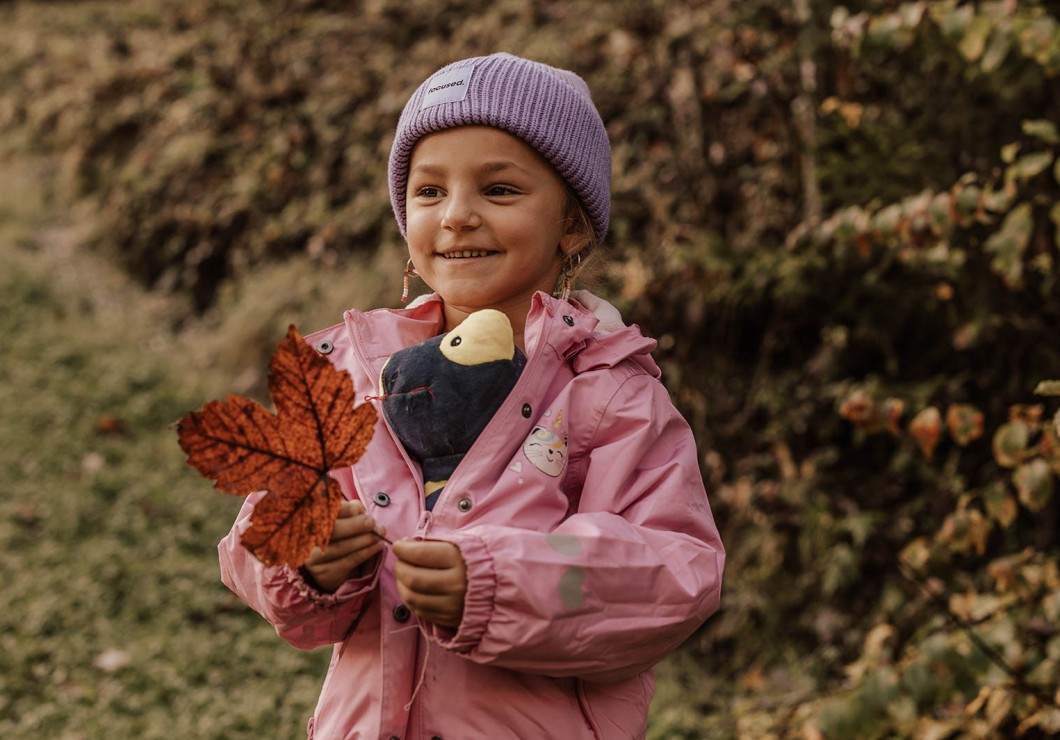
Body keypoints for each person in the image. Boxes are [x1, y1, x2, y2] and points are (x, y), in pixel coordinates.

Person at [218, 52, 725, 739]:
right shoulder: (354, 376)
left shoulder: (609, 397)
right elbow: (258, 544)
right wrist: (304, 557)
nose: (456, 216)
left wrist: (496, 585)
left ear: (572, 224)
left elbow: (676, 575)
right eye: (429, 192)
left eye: (500, 190)